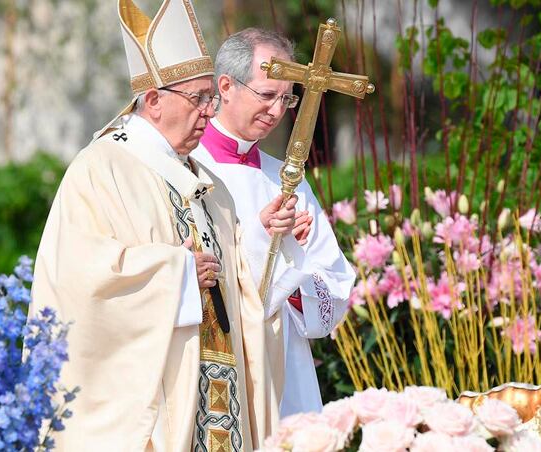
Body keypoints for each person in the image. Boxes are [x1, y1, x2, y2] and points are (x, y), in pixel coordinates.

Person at [29, 2, 291, 450]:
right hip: (156, 404)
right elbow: (78, 280)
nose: (210, 113)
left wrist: (262, 244)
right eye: (199, 99)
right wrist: (177, 272)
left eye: (212, 98)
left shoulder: (211, 187)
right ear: (153, 100)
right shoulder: (101, 169)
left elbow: (242, 291)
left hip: (219, 395)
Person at [191, 28, 355, 417]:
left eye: (286, 98)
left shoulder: (286, 176)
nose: (278, 111)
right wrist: (264, 241)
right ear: (226, 86)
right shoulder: (190, 168)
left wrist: (292, 268)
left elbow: (336, 285)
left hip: (286, 367)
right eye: (267, 95)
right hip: (216, 357)